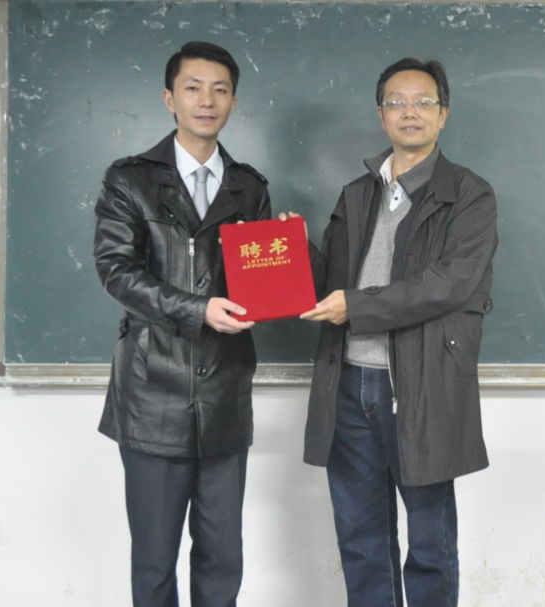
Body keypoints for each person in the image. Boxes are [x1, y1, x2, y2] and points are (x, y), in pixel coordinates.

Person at [300, 58, 498, 606]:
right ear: (380, 114)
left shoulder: (469, 195)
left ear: (443, 113)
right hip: (349, 386)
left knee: (429, 543)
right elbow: (334, 281)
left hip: (421, 385)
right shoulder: (356, 193)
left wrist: (357, 306)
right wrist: (288, 251)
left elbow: (450, 284)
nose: (409, 112)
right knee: (362, 541)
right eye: (396, 102)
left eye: (423, 101)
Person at [93, 41, 270, 607]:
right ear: (170, 98)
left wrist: (284, 255)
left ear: (234, 102)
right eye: (193, 88)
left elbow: (257, 287)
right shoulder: (130, 180)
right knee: (154, 561)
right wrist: (197, 310)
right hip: (152, 395)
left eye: (220, 90)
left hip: (224, 392)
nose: (206, 100)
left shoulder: (250, 187)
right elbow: (116, 270)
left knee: (222, 559)